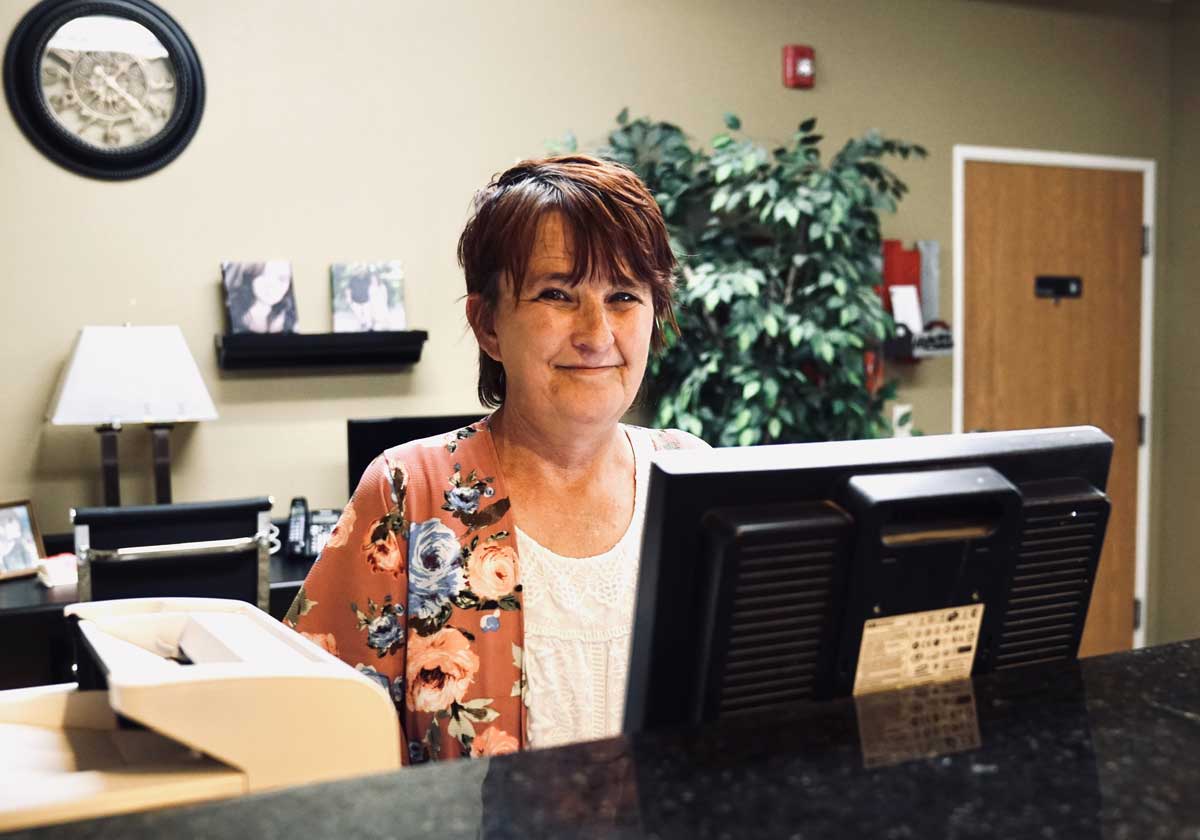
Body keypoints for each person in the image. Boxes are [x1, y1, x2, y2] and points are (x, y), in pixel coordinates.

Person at [287, 154, 708, 764]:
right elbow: (317, 735)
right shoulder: (408, 493)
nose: (596, 333)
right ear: (488, 324)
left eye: (623, 295)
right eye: (557, 294)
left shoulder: (691, 476)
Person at [222, 260, 298, 333]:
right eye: (264, 276)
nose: (273, 286)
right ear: (250, 276)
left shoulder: (290, 316)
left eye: (282, 279)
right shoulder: (232, 312)